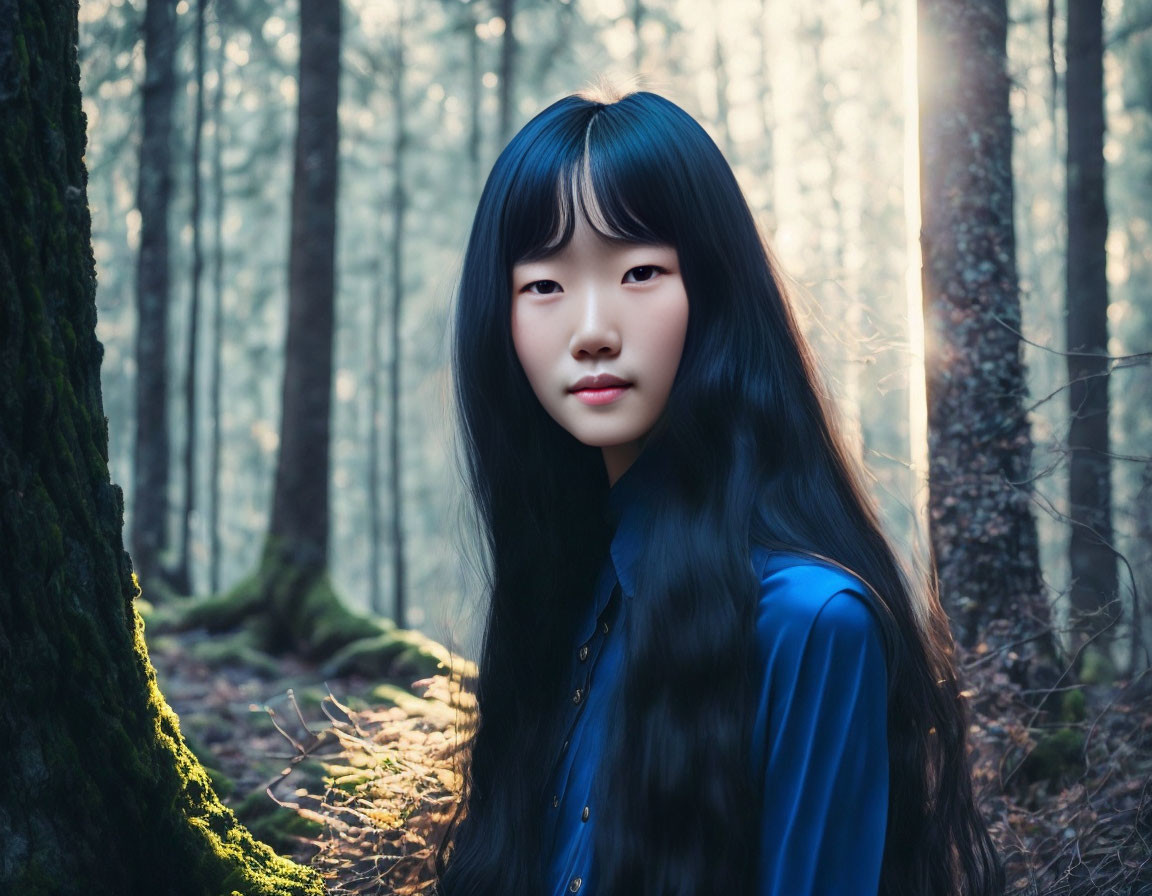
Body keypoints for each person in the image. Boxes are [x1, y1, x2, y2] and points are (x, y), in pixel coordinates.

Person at [433, 87, 1002, 896]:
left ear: (716, 295)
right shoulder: (568, 597)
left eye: (639, 272)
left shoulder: (811, 626)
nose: (592, 327)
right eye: (545, 285)